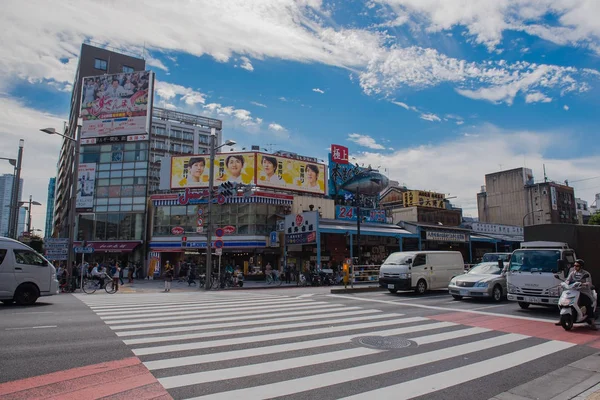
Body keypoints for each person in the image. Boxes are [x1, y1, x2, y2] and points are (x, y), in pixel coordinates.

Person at [555, 259, 597, 329]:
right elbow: (568, 280)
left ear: (581, 267)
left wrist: (583, 284)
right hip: (573, 291)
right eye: (574, 265)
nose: (575, 267)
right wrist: (563, 284)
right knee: (564, 302)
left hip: (584, 292)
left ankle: (592, 322)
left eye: (577, 266)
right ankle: (561, 319)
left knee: (588, 304)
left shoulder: (586, 274)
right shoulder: (572, 273)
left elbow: (589, 283)